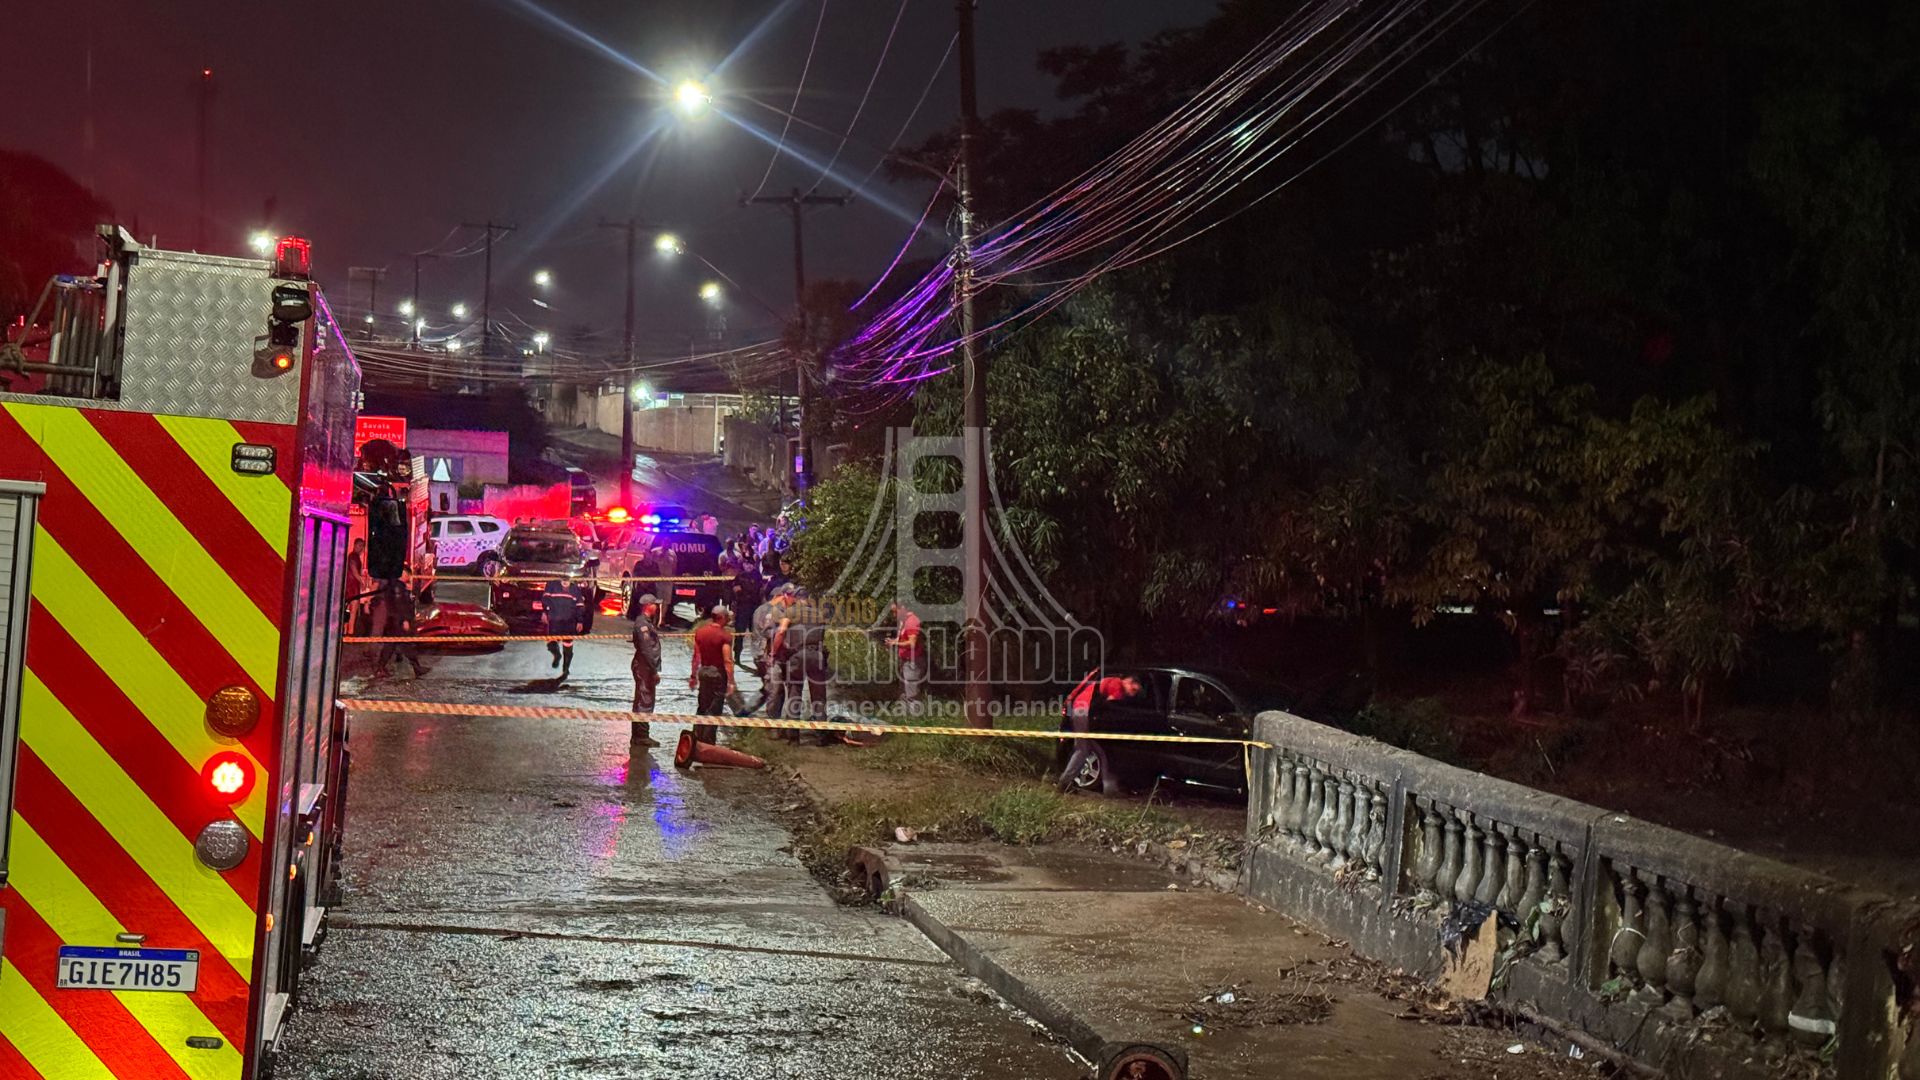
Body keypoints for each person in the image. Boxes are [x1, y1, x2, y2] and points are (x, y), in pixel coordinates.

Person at [1056, 671, 1142, 794]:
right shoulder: (1117, 685)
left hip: (1081, 709)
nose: (1133, 694)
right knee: (1082, 749)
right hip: (1083, 711)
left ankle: (1109, 787)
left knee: (1097, 751)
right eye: (1133, 690)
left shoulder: (1112, 681)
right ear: (1129, 682)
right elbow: (1111, 706)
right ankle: (1064, 783)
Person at [772, 589, 830, 745]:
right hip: (817, 656)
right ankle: (822, 736)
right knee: (819, 696)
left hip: (797, 656)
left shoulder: (791, 612)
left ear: (796, 599)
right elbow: (821, 636)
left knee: (794, 693)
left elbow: (781, 631)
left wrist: (774, 652)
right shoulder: (819, 614)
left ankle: (793, 737)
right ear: (808, 599)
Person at [687, 604, 735, 747]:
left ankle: (696, 739)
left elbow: (696, 657)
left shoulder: (700, 632)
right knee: (714, 709)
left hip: (704, 672)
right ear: (721, 618)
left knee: (702, 706)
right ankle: (708, 743)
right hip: (717, 674)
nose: (728, 620)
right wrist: (731, 681)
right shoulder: (724, 636)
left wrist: (693, 676)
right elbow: (727, 660)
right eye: (727, 617)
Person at [371, 577, 428, 678]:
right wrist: (404, 620)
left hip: (394, 620)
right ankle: (416, 668)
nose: (408, 577)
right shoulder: (398, 587)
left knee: (393, 645)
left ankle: (381, 668)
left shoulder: (393, 586)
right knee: (402, 644)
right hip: (397, 621)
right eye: (407, 575)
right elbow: (400, 605)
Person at [629, 592, 664, 748]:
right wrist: (654, 670)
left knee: (642, 700)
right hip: (645, 667)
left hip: (644, 666)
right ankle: (642, 736)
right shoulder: (643, 624)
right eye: (655, 604)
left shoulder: (646, 622)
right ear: (648, 606)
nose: (657, 607)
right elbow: (646, 650)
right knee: (645, 701)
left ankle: (638, 735)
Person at [887, 601, 927, 717]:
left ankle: (915, 719)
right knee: (903, 691)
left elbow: (912, 643)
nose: (894, 615)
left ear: (903, 608)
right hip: (905, 661)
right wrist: (893, 641)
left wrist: (896, 644)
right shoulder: (903, 622)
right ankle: (903, 718)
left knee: (912, 693)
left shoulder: (911, 622)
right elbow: (902, 639)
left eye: (895, 612)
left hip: (913, 662)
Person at [542, 575, 583, 680]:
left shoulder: (575, 589)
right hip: (555, 620)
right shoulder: (552, 585)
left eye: (567, 580)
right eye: (563, 580)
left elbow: (579, 606)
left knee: (568, 645)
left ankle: (566, 669)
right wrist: (545, 612)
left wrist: (580, 621)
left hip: (569, 621)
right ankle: (557, 655)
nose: (565, 582)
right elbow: (545, 599)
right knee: (551, 643)